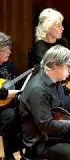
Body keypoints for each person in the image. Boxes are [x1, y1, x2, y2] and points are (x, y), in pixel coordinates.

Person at [29, 8, 70, 112]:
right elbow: (50, 76)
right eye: (58, 25)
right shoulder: (39, 48)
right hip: (48, 90)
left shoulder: (63, 42)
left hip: (63, 85)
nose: (62, 28)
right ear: (48, 27)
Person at [0, 32, 22, 160]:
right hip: (1, 106)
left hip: (11, 102)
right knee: (10, 116)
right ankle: (8, 154)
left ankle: (29, 149)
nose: (9, 52)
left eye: (10, 48)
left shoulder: (10, 65)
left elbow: (19, 82)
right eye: (6, 49)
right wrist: (7, 94)